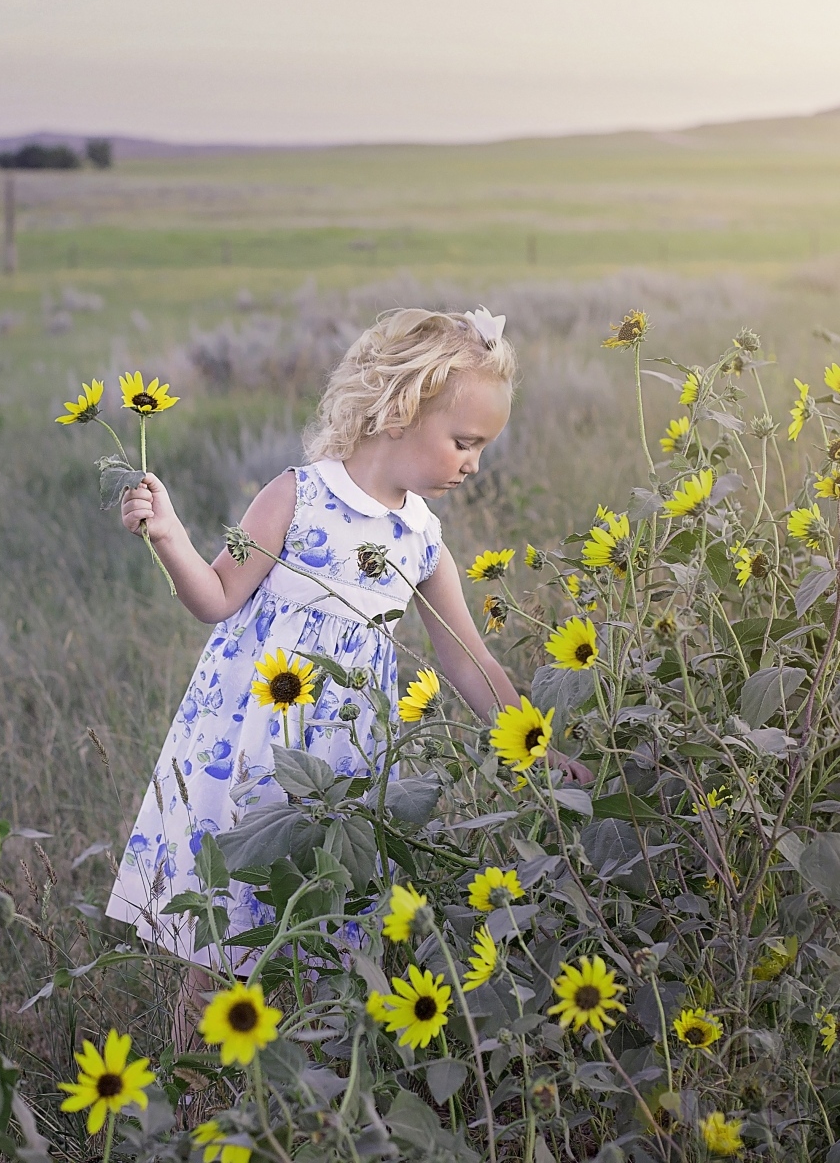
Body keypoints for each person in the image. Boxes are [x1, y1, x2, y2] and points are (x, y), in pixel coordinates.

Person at [104, 307, 588, 1007]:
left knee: (326, 930)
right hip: (255, 752)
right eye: (463, 441)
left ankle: (307, 1090)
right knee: (230, 939)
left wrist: (533, 742)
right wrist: (170, 534)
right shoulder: (294, 498)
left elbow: (468, 659)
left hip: (348, 770)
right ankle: (196, 1098)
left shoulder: (423, 539)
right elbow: (215, 592)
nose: (474, 464)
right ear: (400, 410)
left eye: (482, 447)